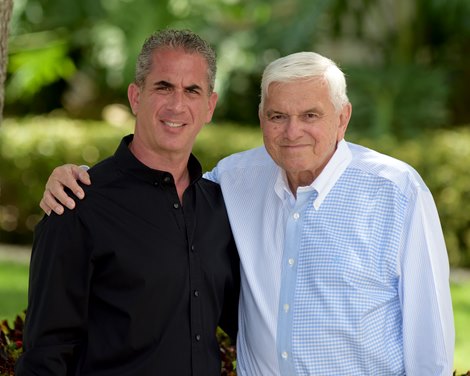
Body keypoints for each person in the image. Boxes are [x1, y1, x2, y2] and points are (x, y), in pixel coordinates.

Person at [39, 51, 455, 375]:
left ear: (342, 118)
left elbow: (429, 341)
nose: (292, 132)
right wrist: (79, 178)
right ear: (261, 119)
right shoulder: (236, 179)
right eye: (277, 116)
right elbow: (158, 182)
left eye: (311, 115)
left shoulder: (396, 192)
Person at [16, 29, 240, 376]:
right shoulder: (77, 205)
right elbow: (46, 353)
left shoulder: (220, 209)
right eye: (163, 87)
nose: (177, 105)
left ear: (209, 106)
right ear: (136, 97)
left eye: (192, 90)